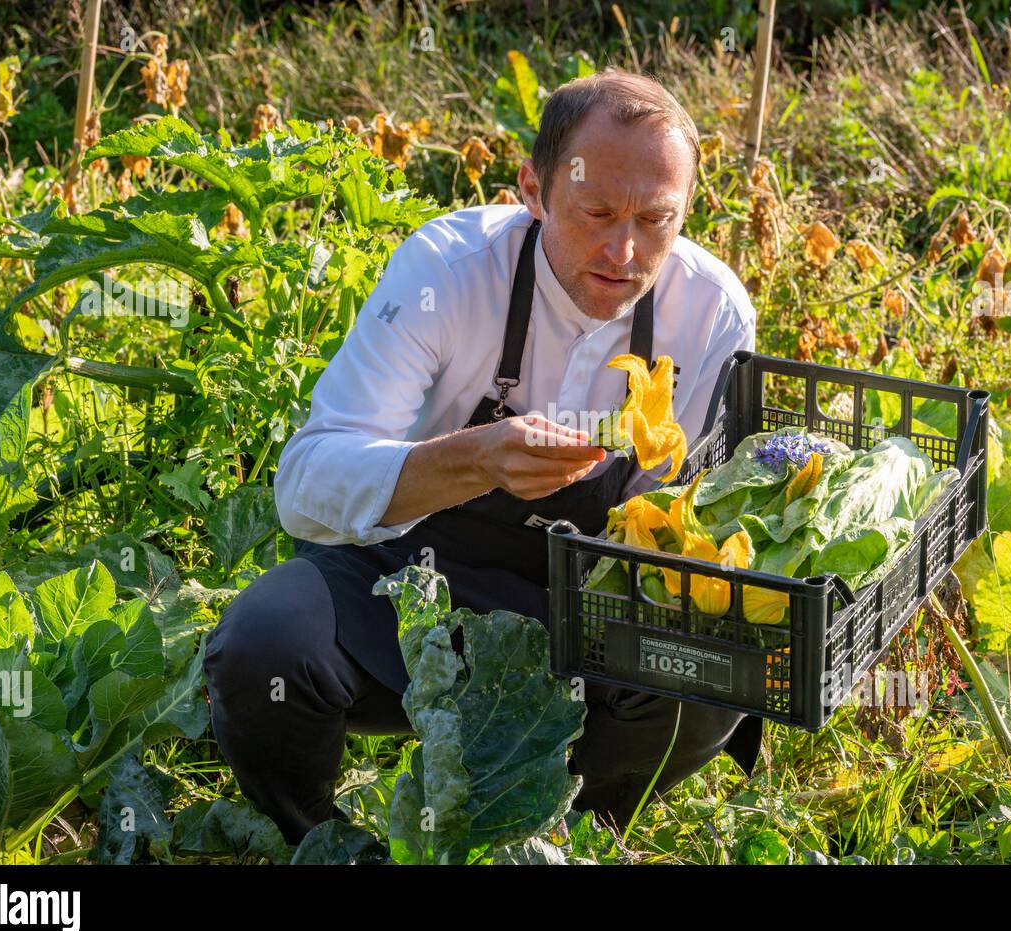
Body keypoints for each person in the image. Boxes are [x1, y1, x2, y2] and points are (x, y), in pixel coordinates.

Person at [203, 68, 763, 847]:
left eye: (656, 221)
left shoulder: (712, 314)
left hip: (587, 604)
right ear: (533, 190)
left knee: (714, 675)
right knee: (261, 644)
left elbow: (699, 524)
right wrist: (474, 460)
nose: (624, 250)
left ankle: (556, 836)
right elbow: (304, 486)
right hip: (409, 586)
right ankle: (328, 847)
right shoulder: (448, 272)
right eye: (596, 211)